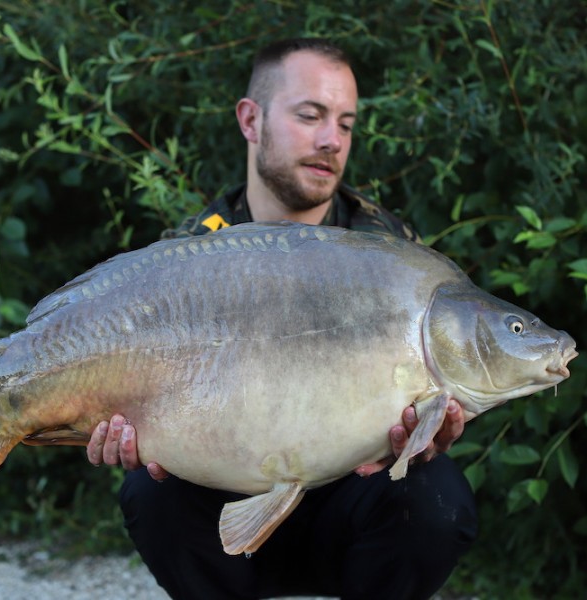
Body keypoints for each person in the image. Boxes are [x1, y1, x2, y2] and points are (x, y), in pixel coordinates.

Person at [86, 38, 477, 599]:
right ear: (251, 119)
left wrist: (431, 434)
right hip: (229, 512)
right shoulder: (192, 254)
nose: (331, 141)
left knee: (437, 497)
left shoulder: (388, 252)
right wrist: (118, 429)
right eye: (310, 115)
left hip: (352, 510)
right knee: (150, 492)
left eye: (345, 123)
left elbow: (434, 394)